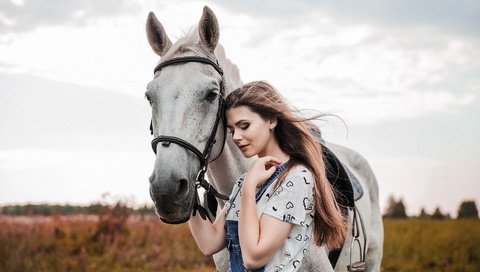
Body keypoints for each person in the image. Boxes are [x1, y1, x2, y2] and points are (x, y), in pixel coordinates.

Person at [188, 81, 347, 272]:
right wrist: (187, 193)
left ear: (271, 120)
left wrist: (248, 188)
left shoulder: (296, 179)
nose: (236, 136)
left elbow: (253, 258)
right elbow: (209, 243)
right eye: (232, 130)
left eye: (244, 126)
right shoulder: (247, 180)